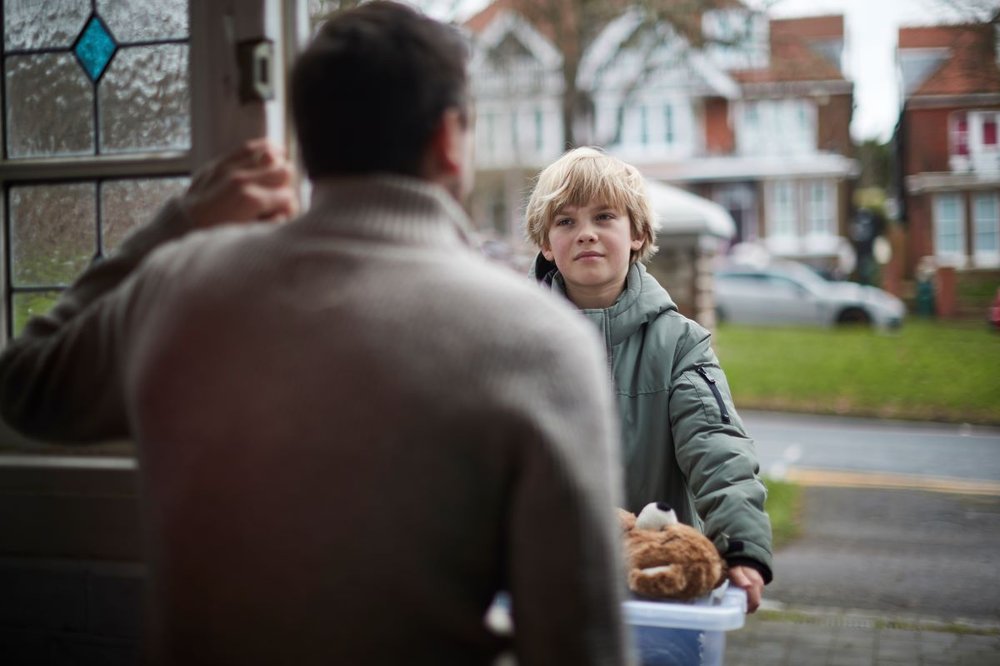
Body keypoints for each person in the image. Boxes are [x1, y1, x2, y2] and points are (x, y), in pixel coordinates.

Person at [0, 4, 629, 665]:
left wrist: (181, 222)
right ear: (449, 138)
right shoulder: (536, 341)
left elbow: (24, 383)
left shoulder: (177, 285)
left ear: (307, 136)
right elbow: (578, 642)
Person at [525, 147, 773, 612]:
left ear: (637, 233)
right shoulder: (517, 344)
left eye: (604, 217)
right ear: (545, 242)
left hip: (655, 587)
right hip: (546, 585)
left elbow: (719, 449)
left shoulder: (681, 345)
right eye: (565, 222)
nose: (586, 235)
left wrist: (742, 545)